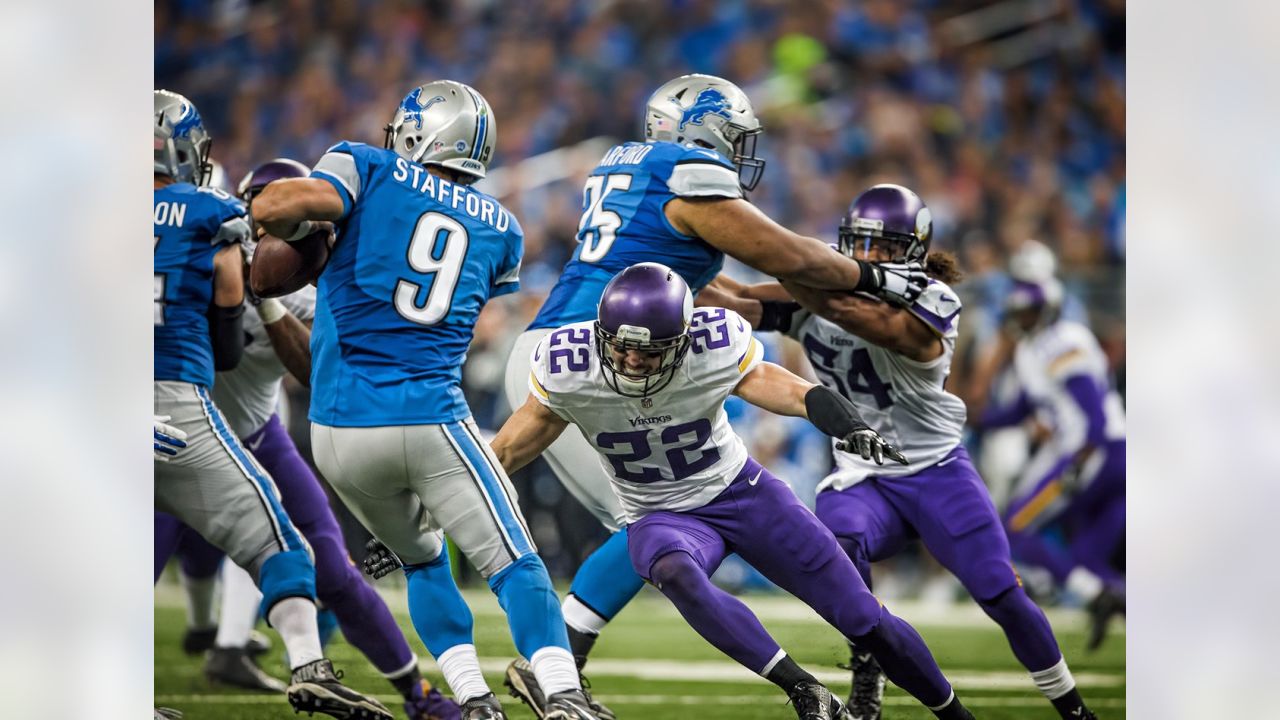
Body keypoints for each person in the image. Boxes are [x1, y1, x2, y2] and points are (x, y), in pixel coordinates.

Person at [498, 73, 928, 717]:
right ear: (698, 130)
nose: (738, 152)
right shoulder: (688, 180)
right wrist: (877, 278)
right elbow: (792, 257)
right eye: (733, 136)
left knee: (650, 522)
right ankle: (555, 671)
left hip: (572, 349)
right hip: (594, 358)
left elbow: (732, 300)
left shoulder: (636, 179)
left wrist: (821, 312)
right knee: (653, 519)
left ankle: (558, 670)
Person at [250, 80, 602, 720]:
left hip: (337, 431)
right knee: (515, 561)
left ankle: (472, 699)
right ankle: (562, 692)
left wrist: (293, 225)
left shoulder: (367, 165)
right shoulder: (504, 230)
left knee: (422, 561)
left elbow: (278, 204)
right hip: (430, 416)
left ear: (418, 132)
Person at [493, 262, 975, 720]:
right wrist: (462, 487)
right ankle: (804, 688)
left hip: (743, 494)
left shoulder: (713, 345)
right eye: (621, 348)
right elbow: (514, 445)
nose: (634, 360)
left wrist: (845, 422)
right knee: (671, 568)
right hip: (660, 513)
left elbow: (786, 388)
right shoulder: (569, 365)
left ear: (684, 340)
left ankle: (954, 713)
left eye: (650, 350)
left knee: (865, 619)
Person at [766, 184, 1100, 720]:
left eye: (885, 247)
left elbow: (872, 321)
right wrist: (690, 256)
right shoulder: (817, 298)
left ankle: (1074, 709)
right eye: (860, 244)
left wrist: (800, 276)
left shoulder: (932, 298)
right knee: (838, 537)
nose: (869, 257)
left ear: (914, 252)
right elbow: (734, 298)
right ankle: (868, 665)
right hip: (864, 475)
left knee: (1001, 593)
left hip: (938, 471)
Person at [152, 89, 391, 720]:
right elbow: (228, 347)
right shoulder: (211, 214)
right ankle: (308, 666)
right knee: (282, 543)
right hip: (177, 406)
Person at [980, 268, 1127, 651]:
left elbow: (1091, 410)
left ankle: (1097, 596)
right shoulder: (1033, 349)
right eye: (1019, 312)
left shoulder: (1060, 340)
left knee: (1015, 527)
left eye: (1029, 312)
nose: (1022, 319)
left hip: (1098, 451)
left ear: (1048, 309)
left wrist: (1081, 460)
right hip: (1107, 452)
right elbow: (1020, 411)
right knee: (1086, 555)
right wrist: (971, 417)